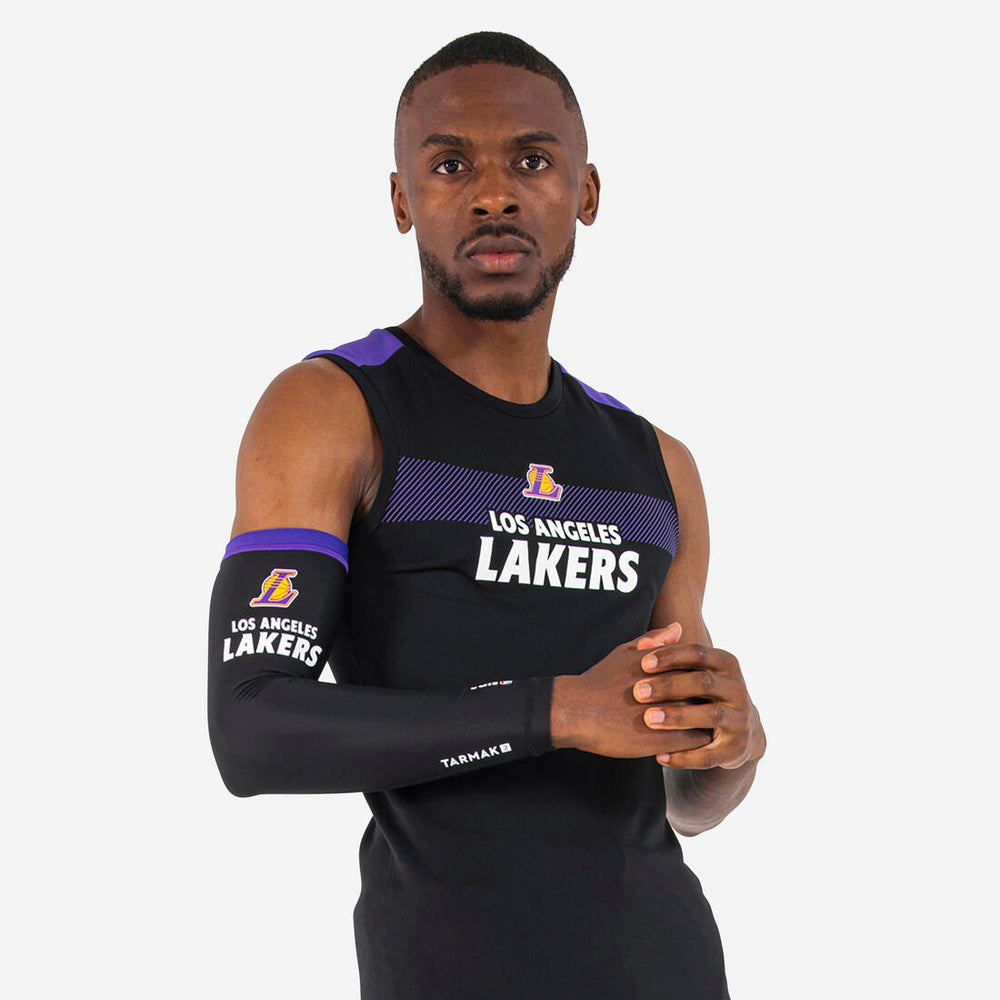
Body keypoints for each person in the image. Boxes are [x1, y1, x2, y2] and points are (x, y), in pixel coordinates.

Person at [208, 31, 765, 999]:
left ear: (587, 192)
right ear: (401, 200)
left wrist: (732, 744)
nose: (494, 195)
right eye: (451, 164)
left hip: (668, 965)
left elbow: (688, 801)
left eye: (533, 161)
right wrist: (555, 709)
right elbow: (251, 728)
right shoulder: (334, 410)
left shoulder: (655, 465)